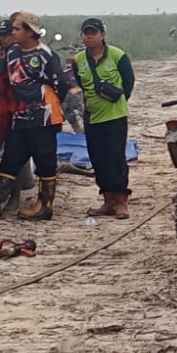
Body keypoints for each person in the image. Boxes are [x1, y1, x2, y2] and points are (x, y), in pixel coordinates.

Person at [0, 11, 71, 222]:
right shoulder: (12, 53)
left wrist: (47, 103)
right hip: (20, 116)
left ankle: (44, 206)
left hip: (43, 117)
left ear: (30, 32)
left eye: (16, 28)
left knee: (45, 161)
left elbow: (61, 83)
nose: (12, 33)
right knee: (10, 159)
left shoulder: (45, 55)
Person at [72, 18, 135, 218]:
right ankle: (107, 201)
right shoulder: (78, 60)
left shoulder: (118, 56)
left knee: (116, 158)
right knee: (98, 160)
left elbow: (128, 82)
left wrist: (117, 102)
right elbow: (81, 85)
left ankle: (121, 201)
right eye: (86, 33)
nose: (89, 36)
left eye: (93, 32)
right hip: (92, 118)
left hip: (115, 117)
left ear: (102, 35)